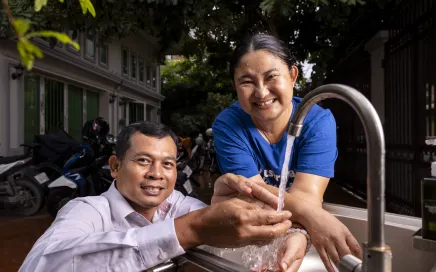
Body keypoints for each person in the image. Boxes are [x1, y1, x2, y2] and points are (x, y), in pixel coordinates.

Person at [19, 121, 300, 272]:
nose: (157, 174)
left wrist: (294, 235)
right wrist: (190, 229)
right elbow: (41, 264)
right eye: (143, 161)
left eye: (167, 164)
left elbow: (224, 232)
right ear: (116, 166)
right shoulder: (87, 210)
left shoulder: (178, 205)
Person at [212, 33, 362, 272]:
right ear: (235, 86)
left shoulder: (317, 122)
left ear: (292, 76)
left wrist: (302, 234)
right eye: (247, 82)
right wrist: (316, 219)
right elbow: (253, 194)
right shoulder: (229, 125)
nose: (261, 93)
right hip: (259, 228)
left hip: (297, 225)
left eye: (271, 77)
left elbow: (306, 196)